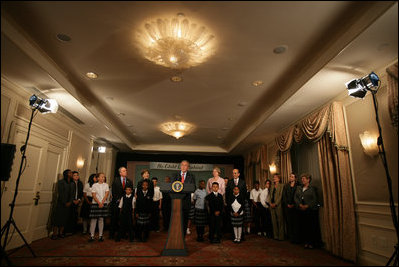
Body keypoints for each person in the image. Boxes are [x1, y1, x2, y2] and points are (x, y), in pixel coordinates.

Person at [294, 173, 321, 249]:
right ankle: (306, 242)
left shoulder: (312, 188)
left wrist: (307, 206)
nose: (302, 180)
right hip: (301, 210)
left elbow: (315, 200)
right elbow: (295, 197)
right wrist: (299, 205)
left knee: (311, 227)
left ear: (308, 179)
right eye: (302, 178)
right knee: (304, 227)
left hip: (310, 211)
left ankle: (311, 243)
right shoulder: (299, 188)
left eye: (304, 178)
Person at [171, 160, 196, 236]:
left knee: (185, 220)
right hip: (176, 201)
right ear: (180, 166)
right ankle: (175, 235)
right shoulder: (174, 175)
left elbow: (194, 187)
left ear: (188, 167)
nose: (183, 166)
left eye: (185, 165)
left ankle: (183, 236)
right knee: (176, 220)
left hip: (186, 202)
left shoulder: (191, 176)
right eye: (182, 165)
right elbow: (172, 187)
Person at [110, 167, 133, 240]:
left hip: (126, 204)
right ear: (120, 173)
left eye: (126, 170)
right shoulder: (115, 180)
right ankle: (112, 235)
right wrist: (118, 199)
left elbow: (130, 192)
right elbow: (113, 191)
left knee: (124, 220)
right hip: (116, 203)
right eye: (124, 171)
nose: (126, 171)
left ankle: (123, 234)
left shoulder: (129, 181)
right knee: (114, 219)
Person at [51, 169, 73, 239]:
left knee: (64, 219)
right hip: (61, 203)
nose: (71, 174)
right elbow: (61, 193)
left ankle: (61, 233)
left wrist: (70, 201)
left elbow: (72, 194)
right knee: (57, 218)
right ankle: (54, 233)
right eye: (70, 173)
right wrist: (64, 202)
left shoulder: (72, 183)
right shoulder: (61, 182)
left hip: (69, 203)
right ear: (66, 174)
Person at [226, 169, 247, 239]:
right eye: (233, 173)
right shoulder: (229, 182)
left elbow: (245, 194)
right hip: (232, 205)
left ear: (238, 174)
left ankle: (241, 236)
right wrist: (228, 203)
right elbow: (227, 194)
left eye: (235, 173)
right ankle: (234, 236)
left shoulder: (243, 182)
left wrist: (243, 205)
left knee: (241, 222)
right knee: (233, 223)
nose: (234, 174)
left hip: (241, 204)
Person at [89, 172, 110, 242]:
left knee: (101, 220)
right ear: (98, 178)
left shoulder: (106, 185)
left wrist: (102, 202)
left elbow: (106, 194)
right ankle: (92, 236)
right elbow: (94, 195)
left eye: (104, 177)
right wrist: (99, 202)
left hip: (103, 203)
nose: (103, 178)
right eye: (101, 177)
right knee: (93, 220)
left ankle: (100, 236)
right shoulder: (94, 185)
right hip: (95, 203)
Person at [283, 172, 300, 243]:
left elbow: (298, 196)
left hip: (295, 207)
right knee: (289, 222)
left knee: (296, 223)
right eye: (290, 176)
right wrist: (287, 204)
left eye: (292, 177)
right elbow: (284, 195)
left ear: (295, 178)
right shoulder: (286, 185)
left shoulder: (298, 185)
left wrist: (293, 204)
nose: (291, 178)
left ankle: (296, 238)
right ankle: (291, 238)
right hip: (287, 206)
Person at [268, 173, 285, 241]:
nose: (274, 178)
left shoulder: (282, 186)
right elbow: (269, 195)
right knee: (274, 221)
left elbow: (281, 196)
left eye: (275, 177)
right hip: (271, 206)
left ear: (279, 178)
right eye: (274, 177)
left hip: (278, 206)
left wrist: (276, 203)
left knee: (280, 221)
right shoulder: (272, 186)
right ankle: (276, 236)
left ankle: (281, 236)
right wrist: (270, 203)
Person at [67, 171, 83, 235]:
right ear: (72, 176)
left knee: (75, 216)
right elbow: (68, 193)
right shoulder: (70, 183)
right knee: (69, 216)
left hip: (77, 201)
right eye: (74, 175)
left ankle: (74, 230)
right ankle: (68, 230)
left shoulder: (80, 183)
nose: (76, 176)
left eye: (77, 175)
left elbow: (81, 192)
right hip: (71, 201)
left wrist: (78, 200)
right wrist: (72, 200)